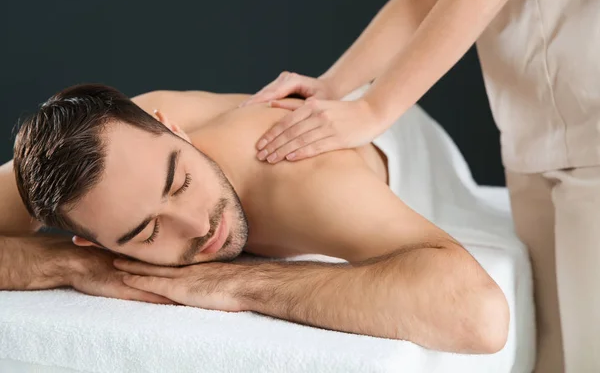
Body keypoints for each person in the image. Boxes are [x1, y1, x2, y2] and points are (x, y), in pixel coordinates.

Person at [240, 0, 600, 371]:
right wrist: (335, 85)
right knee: (549, 358)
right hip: (533, 137)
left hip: (587, 128)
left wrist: (372, 109)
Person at [0, 83, 509, 354]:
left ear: (171, 128)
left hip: (398, 135)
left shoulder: (305, 182)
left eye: (180, 181)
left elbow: (479, 317)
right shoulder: (90, 171)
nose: (197, 225)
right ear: (99, 243)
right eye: (148, 232)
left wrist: (239, 282)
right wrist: (69, 267)